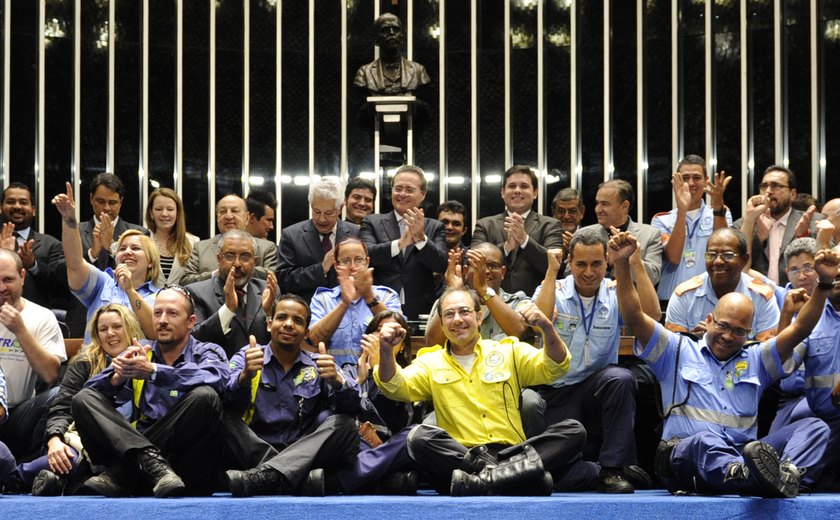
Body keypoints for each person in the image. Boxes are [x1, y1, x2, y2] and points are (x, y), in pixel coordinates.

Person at [612, 229, 838, 498]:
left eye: (739, 331)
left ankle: (786, 476)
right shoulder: (675, 350)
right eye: (722, 326)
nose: (729, 336)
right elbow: (635, 317)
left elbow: (800, 328)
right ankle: (752, 478)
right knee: (704, 441)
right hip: (686, 460)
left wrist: (824, 284)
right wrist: (622, 264)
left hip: (744, 454)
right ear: (709, 320)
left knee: (814, 426)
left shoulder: (757, 359)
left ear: (749, 332)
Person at [374, 288, 592, 495]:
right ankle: (514, 478)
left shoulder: (508, 351)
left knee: (574, 431)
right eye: (449, 314)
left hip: (510, 453)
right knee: (418, 437)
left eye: (464, 311)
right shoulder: (430, 361)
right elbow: (396, 387)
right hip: (461, 457)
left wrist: (546, 327)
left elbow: (555, 366)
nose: (457, 319)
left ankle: (481, 482)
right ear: (441, 324)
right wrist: (385, 350)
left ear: (479, 317)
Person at [531, 228, 660, 493]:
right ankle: (599, 472)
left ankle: (613, 470)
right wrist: (551, 272)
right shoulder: (553, 288)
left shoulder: (616, 291)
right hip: (554, 393)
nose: (589, 272)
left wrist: (634, 262)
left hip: (593, 391)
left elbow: (652, 315)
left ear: (607, 262)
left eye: (596, 264)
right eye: (581, 264)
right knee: (552, 475)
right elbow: (537, 324)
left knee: (621, 378)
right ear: (570, 263)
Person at [70, 286, 229, 497]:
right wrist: (117, 378)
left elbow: (217, 378)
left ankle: (124, 474)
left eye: (172, 313)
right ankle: (149, 464)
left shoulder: (208, 351)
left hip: (188, 464)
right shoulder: (140, 351)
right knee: (84, 398)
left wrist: (154, 371)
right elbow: (88, 396)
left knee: (205, 396)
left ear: (191, 321)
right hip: (144, 456)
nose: (162, 320)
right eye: (157, 313)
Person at [222, 294, 361, 497]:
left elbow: (354, 405)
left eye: (297, 321)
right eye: (282, 318)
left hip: (304, 451)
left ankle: (268, 478)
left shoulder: (318, 363)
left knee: (344, 424)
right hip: (255, 451)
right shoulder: (248, 355)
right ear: (270, 324)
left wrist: (336, 382)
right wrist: (245, 377)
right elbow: (227, 397)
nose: (288, 324)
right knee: (220, 414)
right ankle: (292, 480)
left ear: (306, 332)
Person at [16, 305, 146, 496]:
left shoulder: (148, 359)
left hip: (131, 445)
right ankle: (13, 479)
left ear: (130, 327)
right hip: (87, 445)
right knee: (60, 462)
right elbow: (62, 407)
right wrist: (55, 440)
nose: (110, 333)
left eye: (117, 327)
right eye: (103, 329)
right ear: (97, 334)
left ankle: (66, 485)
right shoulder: (85, 362)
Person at [53, 182, 159, 342]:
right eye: (122, 248)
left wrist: (130, 290)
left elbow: (154, 332)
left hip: (137, 364)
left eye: (135, 248)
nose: (128, 252)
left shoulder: (161, 296)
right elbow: (74, 263)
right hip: (95, 364)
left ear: (151, 261)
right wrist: (69, 219)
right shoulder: (103, 284)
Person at [0, 249, 66, 466]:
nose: (1, 288)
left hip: (18, 413)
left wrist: (20, 330)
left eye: (8, 280)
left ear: (22, 276)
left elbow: (49, 374)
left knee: (58, 396)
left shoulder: (41, 316)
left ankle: (24, 467)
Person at [360, 165, 448, 320]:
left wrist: (421, 239)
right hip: (378, 307)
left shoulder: (435, 227)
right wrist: (399, 244)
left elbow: (441, 264)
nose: (402, 194)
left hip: (421, 309)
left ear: (422, 194)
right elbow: (366, 256)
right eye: (398, 188)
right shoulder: (372, 222)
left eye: (409, 189)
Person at [665, 228, 780, 342]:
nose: (718, 261)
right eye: (711, 255)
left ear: (744, 260)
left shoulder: (761, 297)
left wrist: (733, 341)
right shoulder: (685, 295)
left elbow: (767, 352)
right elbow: (673, 350)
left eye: (727, 255)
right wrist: (694, 342)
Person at [472, 165, 563, 297]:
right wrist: (506, 247)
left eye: (524, 186)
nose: (517, 191)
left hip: (536, 304)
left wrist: (524, 240)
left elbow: (555, 268)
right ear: (502, 192)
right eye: (512, 186)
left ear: (535, 193)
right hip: (491, 301)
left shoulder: (551, 225)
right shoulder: (485, 225)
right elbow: (474, 264)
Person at [308, 237, 401, 366]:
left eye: (358, 260)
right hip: (333, 375)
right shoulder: (323, 299)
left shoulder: (386, 296)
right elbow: (313, 340)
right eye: (346, 261)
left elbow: (399, 333)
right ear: (336, 265)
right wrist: (344, 303)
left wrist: (369, 297)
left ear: (367, 262)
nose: (352, 267)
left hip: (376, 376)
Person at [651, 155, 732, 299]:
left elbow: (725, 248)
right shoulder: (661, 219)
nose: (691, 183)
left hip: (710, 298)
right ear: (676, 181)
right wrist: (682, 211)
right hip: (671, 299)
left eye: (697, 177)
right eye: (685, 178)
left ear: (706, 181)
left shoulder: (719, 213)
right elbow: (673, 257)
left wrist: (718, 206)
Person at [187, 230, 277, 358]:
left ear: (255, 261)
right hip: (217, 372)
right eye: (229, 256)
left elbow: (282, 342)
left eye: (245, 256)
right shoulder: (196, 293)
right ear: (218, 259)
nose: (237, 264)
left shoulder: (269, 290)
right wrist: (227, 310)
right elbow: (193, 341)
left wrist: (269, 314)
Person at [425, 243, 533, 347]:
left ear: (503, 272)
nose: (485, 271)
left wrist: (484, 290)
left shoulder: (518, 301)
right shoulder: (447, 303)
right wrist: (455, 291)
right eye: (478, 265)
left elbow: (521, 334)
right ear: (466, 271)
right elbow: (432, 343)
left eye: (492, 265)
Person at [735, 165, 823, 286]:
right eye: (764, 186)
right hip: (756, 299)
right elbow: (736, 265)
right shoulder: (743, 224)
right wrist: (758, 237)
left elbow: (827, 265)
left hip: (802, 297)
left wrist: (803, 235)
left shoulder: (813, 221)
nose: (768, 191)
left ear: (792, 194)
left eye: (776, 186)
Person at [277, 178, 360, 305]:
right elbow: (284, 279)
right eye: (316, 212)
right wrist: (321, 268)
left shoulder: (356, 233)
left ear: (340, 208)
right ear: (311, 206)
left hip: (348, 308)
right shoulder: (291, 235)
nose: (321, 219)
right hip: (307, 311)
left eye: (328, 213)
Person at [575, 179, 663, 285]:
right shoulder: (582, 234)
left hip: (634, 300)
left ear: (624, 206)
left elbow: (653, 277)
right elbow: (569, 274)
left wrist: (626, 256)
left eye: (605, 204)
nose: (598, 209)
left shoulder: (650, 234)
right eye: (597, 203)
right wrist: (607, 262)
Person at [180, 194, 279, 285]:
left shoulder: (266, 248)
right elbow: (185, 281)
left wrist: (239, 268)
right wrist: (216, 273)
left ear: (247, 218)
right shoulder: (201, 248)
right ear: (217, 217)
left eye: (234, 211)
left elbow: (272, 277)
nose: (228, 216)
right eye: (223, 212)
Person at [0, 182, 68, 311]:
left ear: (33, 210)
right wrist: (3, 254)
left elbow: (59, 288)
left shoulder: (51, 244)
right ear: (1, 207)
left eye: (23, 202)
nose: (17, 206)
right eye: (10, 201)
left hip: (35, 321)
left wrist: (33, 265)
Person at [79, 173, 150, 272]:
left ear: (120, 202)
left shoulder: (138, 233)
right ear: (91, 199)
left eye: (112, 203)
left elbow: (142, 272)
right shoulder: (77, 232)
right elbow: (70, 271)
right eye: (100, 201)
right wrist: (92, 254)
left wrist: (112, 246)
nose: (106, 208)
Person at [354, 13, 430, 96]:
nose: (391, 33)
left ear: (402, 38)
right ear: (376, 40)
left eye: (396, 29)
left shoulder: (418, 71)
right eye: (385, 30)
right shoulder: (364, 73)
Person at [145, 188, 199, 286]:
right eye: (158, 209)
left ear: (178, 213)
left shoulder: (193, 242)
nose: (164, 214)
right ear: (151, 213)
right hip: (148, 300)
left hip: (183, 300)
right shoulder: (143, 240)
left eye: (170, 209)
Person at [552, 187, 586, 252]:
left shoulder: (591, 240)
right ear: (554, 212)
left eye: (572, 211)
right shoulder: (546, 239)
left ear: (582, 212)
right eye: (561, 211)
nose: (566, 216)